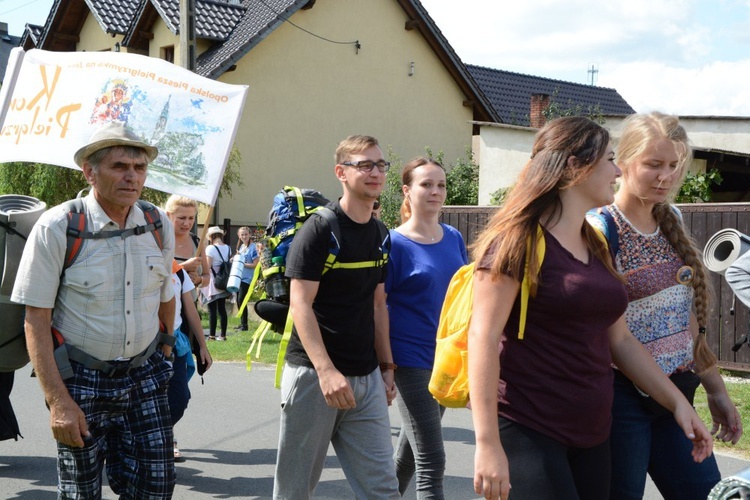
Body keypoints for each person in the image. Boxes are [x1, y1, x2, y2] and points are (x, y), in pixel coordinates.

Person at [468, 116, 713, 500]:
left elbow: (622, 341)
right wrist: (486, 443)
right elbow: (481, 339)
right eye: (610, 159)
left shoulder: (594, 243)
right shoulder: (516, 243)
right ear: (574, 166)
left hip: (593, 434)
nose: (618, 170)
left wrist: (678, 404)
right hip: (531, 427)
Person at [11, 121, 177, 498]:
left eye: (139, 168)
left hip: (145, 376)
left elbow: (166, 294)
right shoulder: (59, 225)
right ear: (90, 171)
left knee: (157, 486)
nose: (132, 177)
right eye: (120, 166)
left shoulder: (156, 222)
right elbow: (35, 320)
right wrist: (59, 402)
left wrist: (165, 353)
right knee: (81, 491)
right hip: (81, 379)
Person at [587, 112, 742, 500]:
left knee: (710, 494)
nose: (666, 177)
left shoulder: (671, 215)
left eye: (674, 165)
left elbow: (683, 315)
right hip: (622, 399)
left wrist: (715, 389)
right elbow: (613, 338)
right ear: (622, 162)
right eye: (653, 165)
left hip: (677, 391)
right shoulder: (598, 228)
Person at [272, 135, 399, 499]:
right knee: (295, 490)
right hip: (315, 377)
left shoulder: (381, 233)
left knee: (383, 489)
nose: (375, 173)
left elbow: (377, 305)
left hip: (367, 378)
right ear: (341, 172)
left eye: (380, 165)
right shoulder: (320, 229)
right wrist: (327, 372)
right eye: (365, 165)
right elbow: (301, 305)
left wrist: (387, 367)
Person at [385, 157, 468, 498]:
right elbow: (378, 307)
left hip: (447, 360)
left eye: (441, 185)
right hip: (410, 360)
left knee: (407, 456)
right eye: (426, 184)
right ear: (407, 190)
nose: (436, 191)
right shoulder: (394, 243)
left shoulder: (453, 237)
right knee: (432, 459)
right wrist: (386, 365)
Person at [164, 195, 213, 462]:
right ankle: (163, 436)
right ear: (169, 215)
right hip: (159, 319)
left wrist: (197, 277)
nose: (187, 222)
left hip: (186, 311)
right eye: (181, 217)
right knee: (162, 387)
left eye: (191, 218)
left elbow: (205, 278)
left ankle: (165, 428)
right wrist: (183, 269)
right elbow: (162, 271)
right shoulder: (157, 239)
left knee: (181, 383)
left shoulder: (197, 241)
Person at [203, 226, 231, 341]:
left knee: (212, 310)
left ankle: (212, 335)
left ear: (211, 237)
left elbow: (208, 267)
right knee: (222, 309)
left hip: (213, 282)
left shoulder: (210, 248)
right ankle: (223, 335)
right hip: (224, 281)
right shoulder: (228, 248)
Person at [235, 226, 259, 332]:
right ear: (239, 236)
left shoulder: (253, 247)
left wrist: (242, 264)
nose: (244, 236)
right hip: (239, 278)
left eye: (246, 234)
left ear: (249, 234)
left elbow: (255, 264)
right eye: (242, 234)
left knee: (242, 300)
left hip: (248, 278)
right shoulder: (242, 247)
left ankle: (245, 325)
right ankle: (242, 323)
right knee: (238, 301)